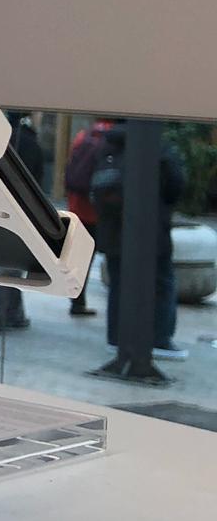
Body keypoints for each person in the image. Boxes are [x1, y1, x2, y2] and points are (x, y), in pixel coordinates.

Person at [88, 123, 186, 360]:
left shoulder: (107, 148)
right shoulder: (157, 147)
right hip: (151, 231)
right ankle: (159, 339)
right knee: (161, 283)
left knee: (118, 285)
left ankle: (116, 338)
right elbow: (175, 186)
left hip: (113, 232)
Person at [0, 113, 43, 332]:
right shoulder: (28, 141)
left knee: (13, 263)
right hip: (19, 210)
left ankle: (12, 312)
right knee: (10, 264)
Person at [62, 118, 112, 317]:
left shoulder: (84, 135)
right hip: (98, 209)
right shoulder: (115, 137)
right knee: (112, 257)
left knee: (81, 257)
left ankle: (77, 300)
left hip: (77, 205)